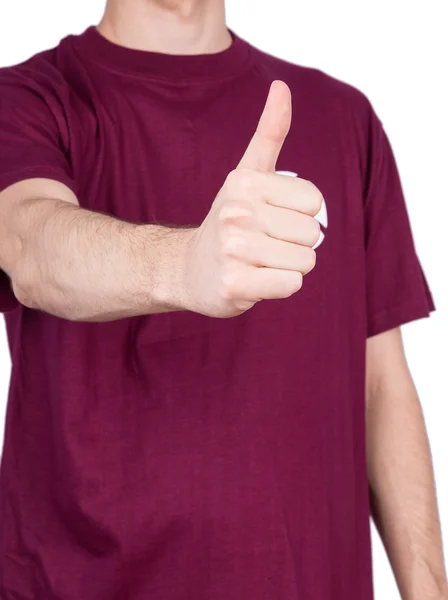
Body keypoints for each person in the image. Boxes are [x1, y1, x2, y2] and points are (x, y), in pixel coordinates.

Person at [0, 0, 446, 598]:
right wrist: (185, 265)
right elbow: (31, 245)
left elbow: (383, 382)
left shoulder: (344, 117)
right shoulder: (25, 99)